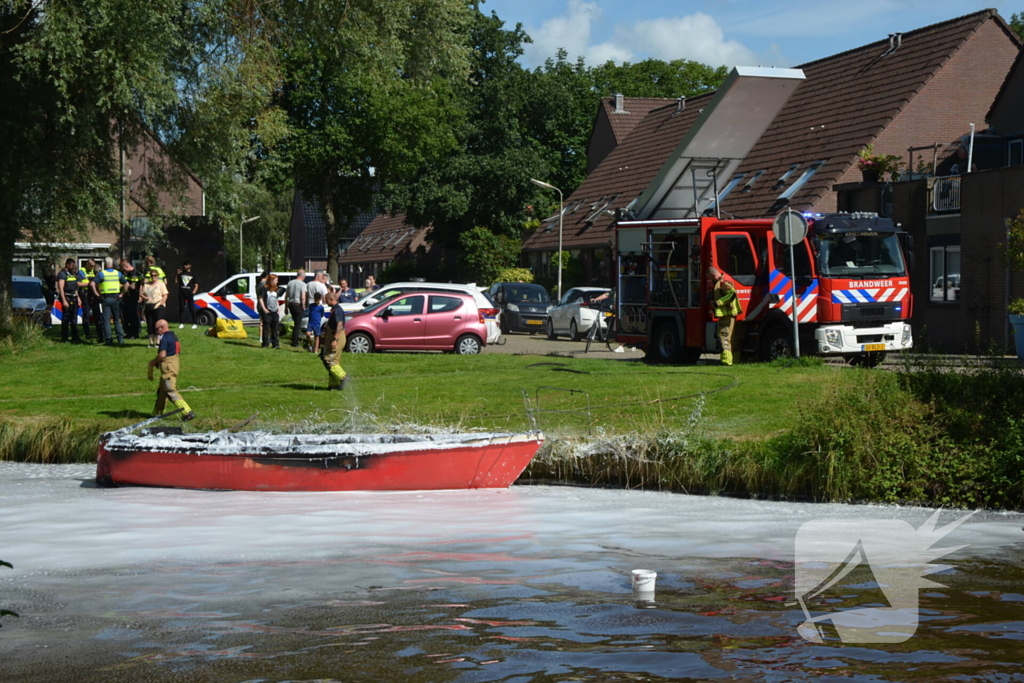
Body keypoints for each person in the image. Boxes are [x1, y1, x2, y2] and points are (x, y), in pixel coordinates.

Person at [148, 319, 195, 421]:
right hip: (174, 364)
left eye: (157, 330)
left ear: (162, 327)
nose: (157, 332)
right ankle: (157, 414)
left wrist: (153, 362)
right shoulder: (174, 336)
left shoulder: (165, 338)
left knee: (170, 390)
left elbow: (162, 354)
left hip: (168, 368)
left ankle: (187, 411)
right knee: (162, 391)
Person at [708, 266, 742, 366]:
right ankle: (734, 360)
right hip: (727, 314)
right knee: (731, 338)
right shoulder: (721, 281)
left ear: (714, 275)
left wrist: (718, 302)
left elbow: (731, 295)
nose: (710, 280)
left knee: (723, 337)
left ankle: (726, 361)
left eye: (710, 278)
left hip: (727, 314)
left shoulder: (724, 281)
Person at [92, 256, 126, 346]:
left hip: (105, 298)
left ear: (105, 264)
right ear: (112, 264)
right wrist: (122, 294)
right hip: (116, 298)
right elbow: (126, 284)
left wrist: (96, 294)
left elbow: (92, 284)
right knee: (117, 319)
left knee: (106, 320)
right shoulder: (118, 273)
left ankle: (108, 339)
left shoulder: (101, 274)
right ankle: (120, 339)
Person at [320, 290, 349, 390]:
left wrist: (335, 339)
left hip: (337, 336)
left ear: (331, 299)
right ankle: (333, 385)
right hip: (332, 336)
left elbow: (339, 325)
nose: (325, 302)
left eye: (326, 300)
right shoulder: (334, 309)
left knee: (328, 360)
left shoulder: (337, 310)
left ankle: (343, 377)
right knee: (334, 361)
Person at [56, 258, 85, 343]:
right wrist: (64, 300)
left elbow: (75, 288)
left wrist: (78, 297)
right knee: (66, 319)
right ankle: (64, 338)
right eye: (72, 265)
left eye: (74, 265)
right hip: (67, 298)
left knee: (74, 319)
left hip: (74, 297)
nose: (74, 267)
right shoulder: (62, 274)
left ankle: (75, 337)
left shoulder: (73, 274)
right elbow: (60, 288)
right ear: (68, 265)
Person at [141, 269, 169, 347]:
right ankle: (150, 342)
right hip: (148, 305)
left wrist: (161, 304)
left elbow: (165, 295)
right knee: (150, 324)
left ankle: (158, 342)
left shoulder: (161, 284)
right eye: (152, 275)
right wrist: (143, 297)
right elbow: (142, 293)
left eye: (155, 275)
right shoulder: (146, 284)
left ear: (157, 276)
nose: (153, 277)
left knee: (158, 324)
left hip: (158, 305)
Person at [120, 259, 143, 339]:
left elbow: (133, 286)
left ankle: (134, 333)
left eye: (123, 268)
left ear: (126, 266)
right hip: (127, 298)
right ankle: (129, 332)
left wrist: (124, 285)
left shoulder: (134, 273)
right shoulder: (128, 273)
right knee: (127, 316)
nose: (123, 270)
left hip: (133, 297)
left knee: (133, 316)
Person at [285, 268, 308, 347]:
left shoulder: (290, 282)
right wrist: (303, 306)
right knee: (298, 324)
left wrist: (286, 307)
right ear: (303, 276)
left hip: (291, 305)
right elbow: (302, 297)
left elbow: (286, 296)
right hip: (298, 305)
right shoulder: (303, 284)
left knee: (295, 323)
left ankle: (295, 339)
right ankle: (295, 342)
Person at [80, 258, 100, 341]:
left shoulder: (93, 271)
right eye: (91, 266)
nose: (92, 267)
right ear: (87, 264)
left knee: (97, 314)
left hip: (93, 295)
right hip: (85, 294)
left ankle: (99, 333)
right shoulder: (81, 271)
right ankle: (87, 334)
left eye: (94, 266)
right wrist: (90, 283)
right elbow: (78, 283)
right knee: (86, 315)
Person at [259, 273, 281, 349]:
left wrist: (278, 308)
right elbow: (261, 298)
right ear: (271, 280)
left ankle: (276, 344)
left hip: (275, 311)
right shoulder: (264, 288)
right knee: (266, 327)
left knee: (275, 328)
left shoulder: (276, 289)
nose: (277, 282)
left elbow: (276, 300)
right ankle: (265, 343)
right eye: (276, 280)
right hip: (267, 311)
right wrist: (264, 309)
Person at [175, 260, 199, 329]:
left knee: (192, 308)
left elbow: (196, 285)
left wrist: (193, 292)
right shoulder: (181, 274)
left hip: (189, 294)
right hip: (182, 294)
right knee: (181, 308)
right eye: (184, 265)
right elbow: (175, 282)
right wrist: (177, 274)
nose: (185, 266)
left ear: (190, 265)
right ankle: (181, 323)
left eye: (186, 265)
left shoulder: (192, 274)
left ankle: (194, 323)